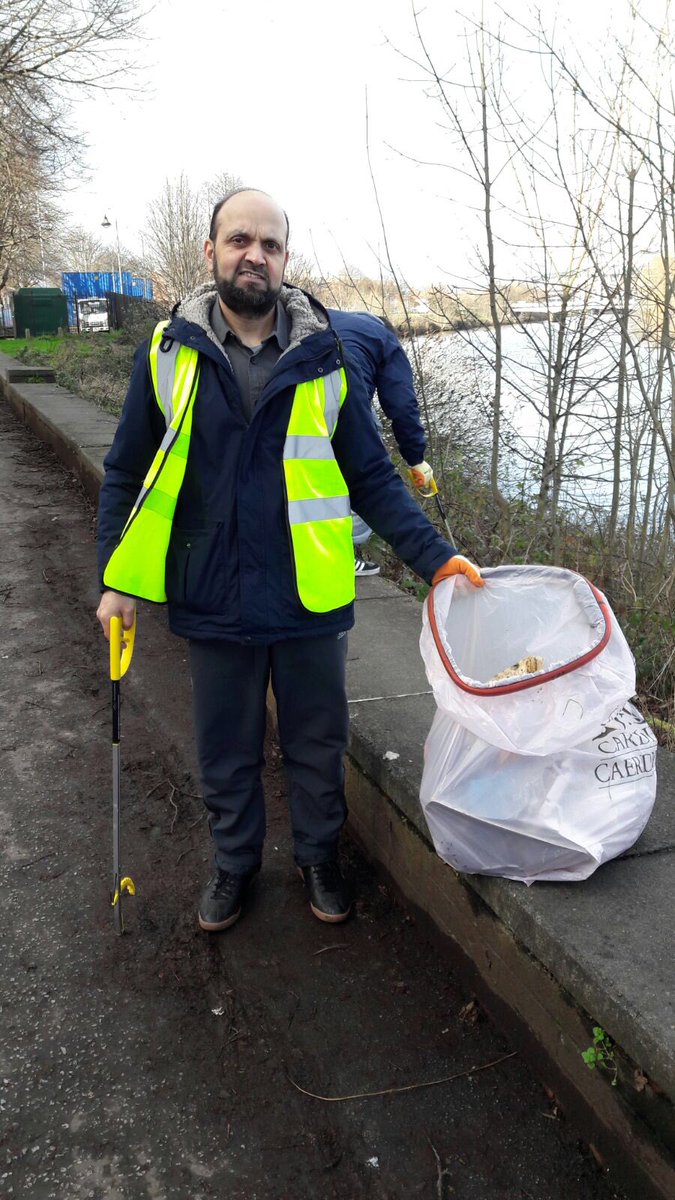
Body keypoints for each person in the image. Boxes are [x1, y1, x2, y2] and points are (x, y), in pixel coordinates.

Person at [95, 187, 483, 934]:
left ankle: (317, 858)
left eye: (270, 245)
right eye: (240, 240)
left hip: (308, 593)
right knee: (226, 747)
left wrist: (437, 559)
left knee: (316, 741)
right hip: (210, 587)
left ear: (284, 260)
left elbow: (370, 476)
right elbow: (124, 471)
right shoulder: (168, 352)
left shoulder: (326, 356)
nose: (255, 255)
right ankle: (233, 864)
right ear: (209, 253)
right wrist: (116, 578)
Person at [328, 309, 435, 578]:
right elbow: (402, 406)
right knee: (366, 476)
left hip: (301, 398)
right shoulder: (385, 339)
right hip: (349, 400)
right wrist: (416, 458)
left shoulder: (328, 316)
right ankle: (341, 558)